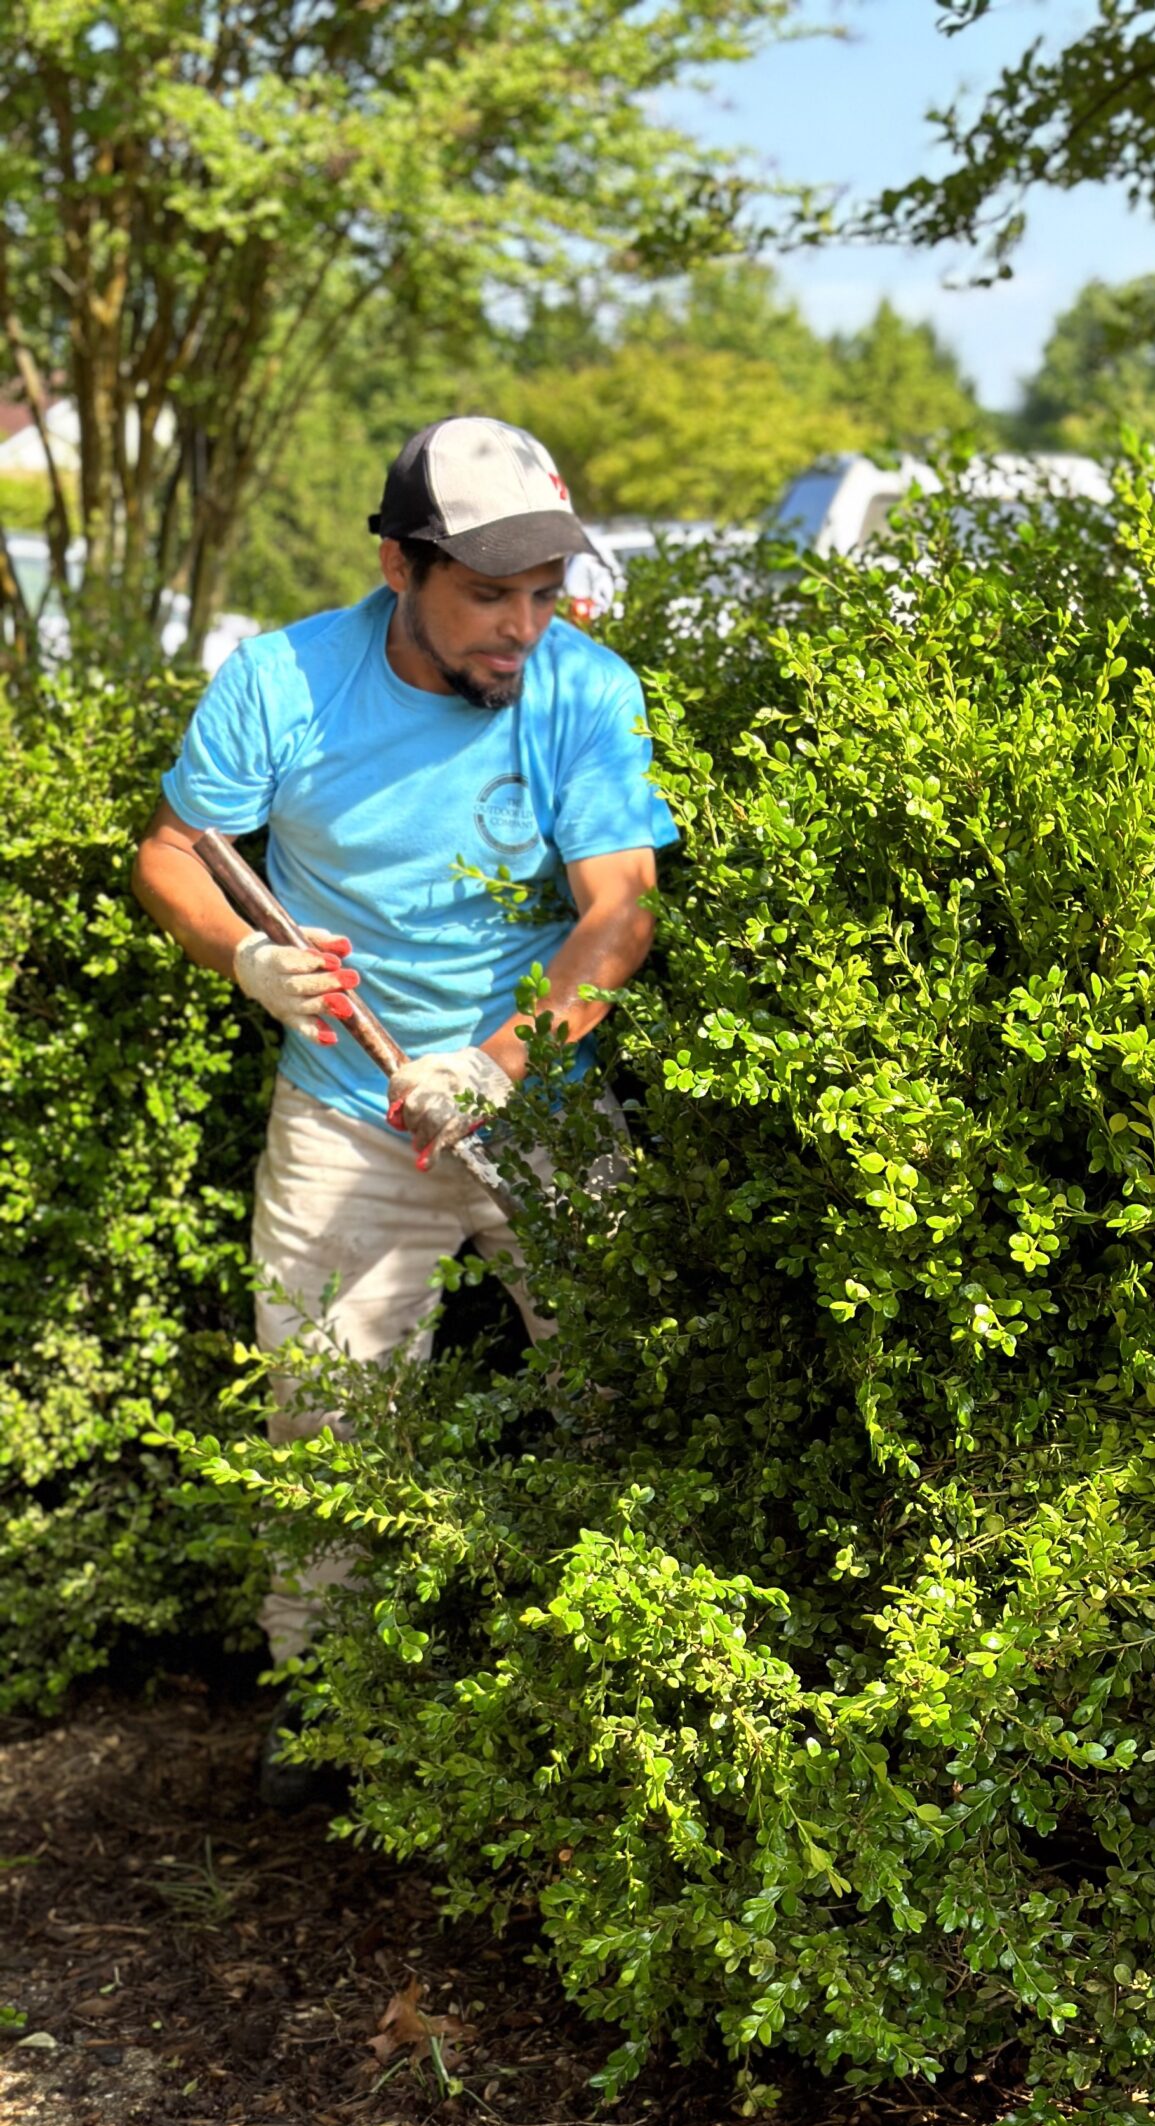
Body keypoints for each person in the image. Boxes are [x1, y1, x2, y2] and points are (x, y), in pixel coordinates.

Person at [132, 417, 677, 1808]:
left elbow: (618, 910)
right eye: (490, 592)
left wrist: (499, 1064)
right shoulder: (281, 684)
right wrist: (246, 956)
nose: (522, 625)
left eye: (545, 592)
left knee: (630, 1396)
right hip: (345, 1115)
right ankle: (326, 1713)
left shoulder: (581, 691)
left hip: (536, 1104)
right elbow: (178, 856)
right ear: (398, 565)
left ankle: (641, 1696)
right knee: (327, 1423)